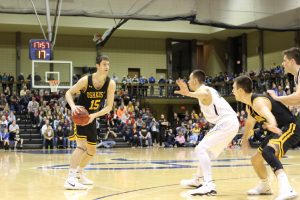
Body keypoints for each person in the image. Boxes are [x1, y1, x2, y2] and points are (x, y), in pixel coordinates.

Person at [232, 75, 299, 200]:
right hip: (277, 130)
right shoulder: (249, 106)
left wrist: (272, 125)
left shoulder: (258, 101)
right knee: (256, 160)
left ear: (240, 91)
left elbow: (270, 117)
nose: (232, 91)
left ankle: (287, 189)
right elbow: (250, 123)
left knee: (268, 152)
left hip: (290, 127)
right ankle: (265, 186)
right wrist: (245, 139)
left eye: (233, 88)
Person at [175, 69, 239, 196]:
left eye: (189, 79)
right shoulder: (206, 90)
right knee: (206, 152)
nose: (187, 81)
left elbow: (204, 93)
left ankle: (209, 185)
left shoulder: (204, 89)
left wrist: (187, 93)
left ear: (194, 80)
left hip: (226, 122)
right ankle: (197, 179)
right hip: (229, 123)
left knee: (200, 149)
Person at [64, 55, 116, 190]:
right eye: (104, 64)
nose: (107, 67)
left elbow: (109, 107)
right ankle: (70, 178)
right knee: (81, 146)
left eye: (108, 65)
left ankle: (80, 173)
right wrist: (73, 107)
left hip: (92, 117)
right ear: (97, 65)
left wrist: (94, 115)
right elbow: (68, 93)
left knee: (92, 150)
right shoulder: (86, 80)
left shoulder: (110, 83)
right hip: (80, 116)